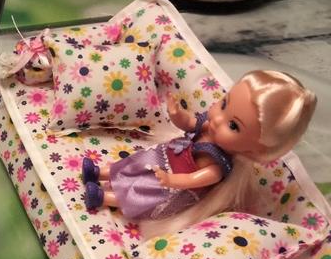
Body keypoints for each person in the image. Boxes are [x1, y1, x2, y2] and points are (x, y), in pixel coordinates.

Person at [82, 70, 316, 234]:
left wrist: (170, 180)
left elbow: (196, 180)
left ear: (256, 149)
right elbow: (189, 122)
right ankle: (99, 172)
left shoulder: (218, 164)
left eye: (234, 126)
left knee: (139, 193)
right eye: (224, 104)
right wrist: (176, 114)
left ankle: (103, 197)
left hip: (170, 183)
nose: (218, 119)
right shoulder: (209, 125)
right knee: (131, 166)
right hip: (162, 157)